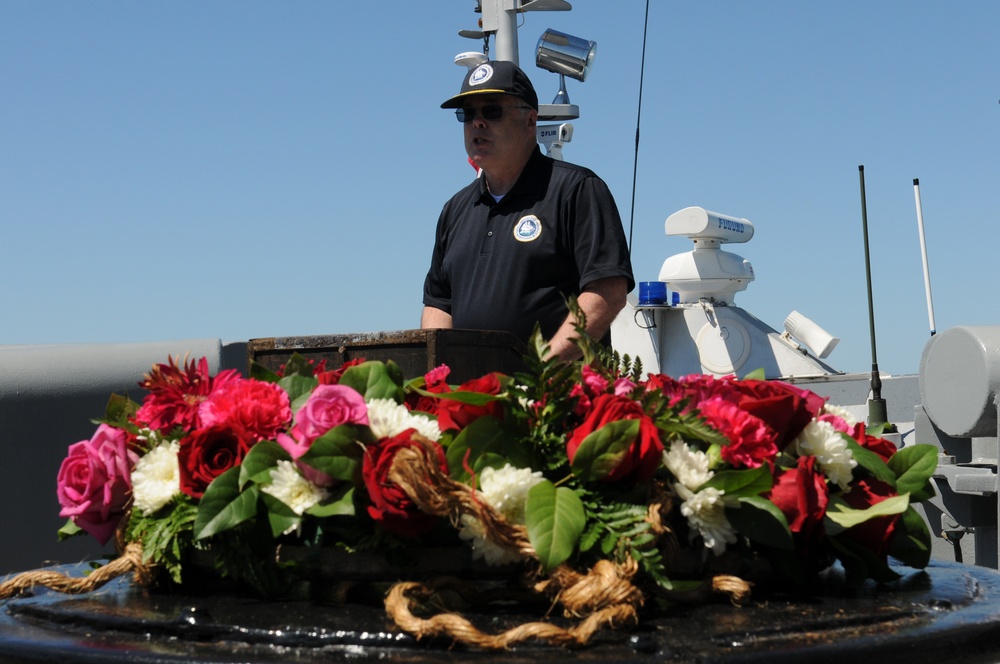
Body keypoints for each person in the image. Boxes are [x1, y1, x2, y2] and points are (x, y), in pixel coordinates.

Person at [421, 60, 634, 361]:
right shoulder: (454, 210)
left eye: (492, 110)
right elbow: (439, 305)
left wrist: (542, 369)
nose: (477, 123)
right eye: (468, 114)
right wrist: (443, 375)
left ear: (531, 121)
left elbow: (607, 292)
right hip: (476, 399)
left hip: (559, 397)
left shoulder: (576, 190)